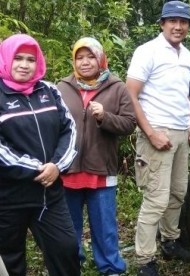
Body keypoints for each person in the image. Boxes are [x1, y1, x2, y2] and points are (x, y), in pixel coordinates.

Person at [125, 1, 190, 275]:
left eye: (184, 22)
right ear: (162, 23)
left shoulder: (187, 55)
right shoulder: (147, 51)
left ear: (189, 26)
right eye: (173, 21)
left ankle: (170, 241)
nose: (178, 26)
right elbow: (130, 94)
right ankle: (145, 259)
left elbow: (186, 93)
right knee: (156, 198)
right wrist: (151, 133)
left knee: (177, 192)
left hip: (181, 132)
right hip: (157, 131)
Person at [0, 33, 80, 276]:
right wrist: (38, 168)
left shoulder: (49, 90)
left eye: (31, 59)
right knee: (10, 260)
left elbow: (70, 129)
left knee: (66, 250)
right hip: (7, 199)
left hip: (49, 195)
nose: (24, 65)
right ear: (6, 59)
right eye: (18, 58)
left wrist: (56, 165)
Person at [57, 37, 136, 276]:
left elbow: (129, 123)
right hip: (68, 169)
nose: (85, 62)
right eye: (80, 57)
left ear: (101, 59)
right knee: (69, 227)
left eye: (91, 56)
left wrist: (105, 117)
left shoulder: (117, 87)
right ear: (73, 60)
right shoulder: (61, 87)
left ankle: (111, 268)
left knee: (105, 226)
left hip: (101, 169)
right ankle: (73, 265)